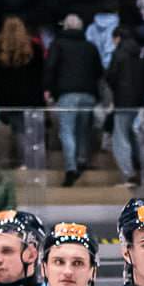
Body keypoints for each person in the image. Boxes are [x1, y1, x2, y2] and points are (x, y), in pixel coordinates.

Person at [45, 13, 105, 185]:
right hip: (88, 94)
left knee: (67, 131)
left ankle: (71, 168)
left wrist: (49, 89)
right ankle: (82, 160)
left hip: (67, 93)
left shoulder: (57, 45)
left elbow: (50, 67)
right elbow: (99, 72)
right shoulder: (90, 47)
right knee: (83, 130)